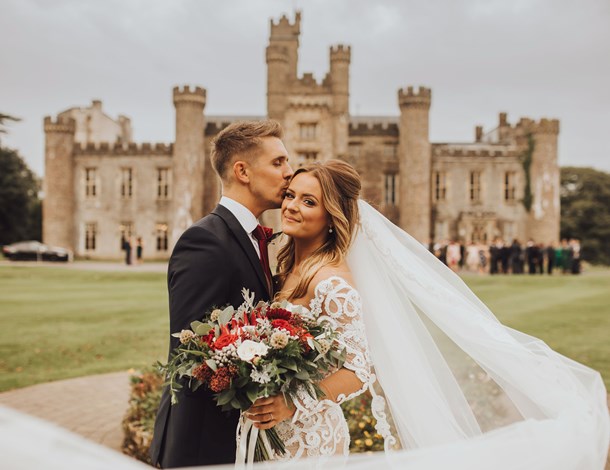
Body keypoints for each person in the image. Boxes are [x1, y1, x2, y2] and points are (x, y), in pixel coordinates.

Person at [243, 159, 609, 468]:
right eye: (291, 195)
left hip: (309, 436)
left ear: (331, 216)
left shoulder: (333, 283)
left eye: (309, 202)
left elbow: (357, 372)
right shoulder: (285, 268)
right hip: (269, 432)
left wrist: (293, 403)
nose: (291, 205)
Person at [149, 120, 293, 468]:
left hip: (239, 438)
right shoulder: (205, 241)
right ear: (242, 171)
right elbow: (191, 353)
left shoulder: (255, 239)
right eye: (278, 162)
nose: (289, 172)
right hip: (203, 444)